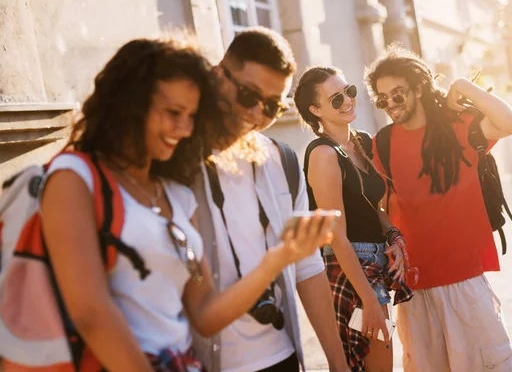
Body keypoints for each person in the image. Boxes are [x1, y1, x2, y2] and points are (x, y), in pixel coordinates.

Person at [37, 35, 334, 372]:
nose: (183, 128)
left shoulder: (174, 195)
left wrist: (279, 259)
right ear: (131, 103)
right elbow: (92, 315)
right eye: (173, 112)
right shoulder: (75, 175)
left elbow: (204, 312)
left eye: (192, 115)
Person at [191, 27, 350, 372]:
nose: (255, 114)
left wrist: (338, 362)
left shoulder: (283, 161)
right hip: (207, 361)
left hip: (282, 356)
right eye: (248, 95)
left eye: (272, 105)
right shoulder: (177, 158)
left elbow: (308, 269)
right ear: (219, 75)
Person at [365, 44, 512, 372]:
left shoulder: (460, 126)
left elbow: (511, 122)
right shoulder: (382, 143)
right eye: (382, 99)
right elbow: (382, 206)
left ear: (419, 87)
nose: (391, 105)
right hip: (414, 291)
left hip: (465, 281)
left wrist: (463, 86)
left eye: (398, 94)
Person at [293, 65, 415, 372]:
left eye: (349, 92)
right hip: (349, 270)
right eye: (336, 99)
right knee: (374, 364)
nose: (348, 101)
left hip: (375, 262)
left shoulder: (361, 141)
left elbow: (375, 208)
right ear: (315, 109)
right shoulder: (323, 154)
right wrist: (369, 299)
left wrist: (393, 236)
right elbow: (336, 235)